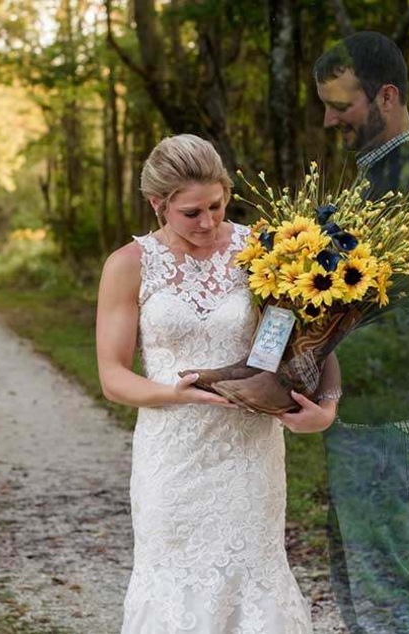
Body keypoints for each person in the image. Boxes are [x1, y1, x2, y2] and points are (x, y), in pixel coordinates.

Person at [95, 133, 340, 632]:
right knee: (171, 583)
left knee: (252, 576)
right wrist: (173, 393)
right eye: (191, 212)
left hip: (249, 453)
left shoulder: (265, 252)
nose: (207, 222)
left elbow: (319, 336)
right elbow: (113, 377)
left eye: (216, 204)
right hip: (171, 455)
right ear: (157, 204)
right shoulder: (128, 266)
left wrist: (327, 407)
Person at [313, 32, 409, 633]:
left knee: (390, 600)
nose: (329, 119)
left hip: (398, 415)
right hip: (367, 411)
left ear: (387, 96)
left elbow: (404, 325)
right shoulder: (378, 174)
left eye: (341, 105)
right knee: (358, 592)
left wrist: (304, 367)